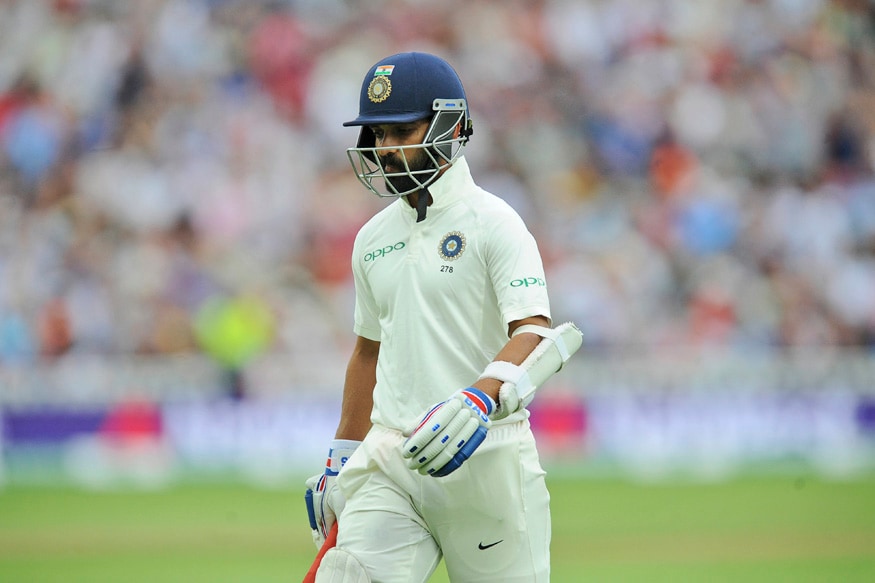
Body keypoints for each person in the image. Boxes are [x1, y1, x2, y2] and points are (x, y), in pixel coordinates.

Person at [305, 51, 575, 583]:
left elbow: (535, 331)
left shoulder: (495, 222)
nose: (385, 149)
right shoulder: (372, 238)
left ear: (449, 125)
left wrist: (479, 396)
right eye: (377, 136)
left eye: (401, 131)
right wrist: (342, 456)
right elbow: (367, 352)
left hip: (485, 456)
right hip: (390, 457)